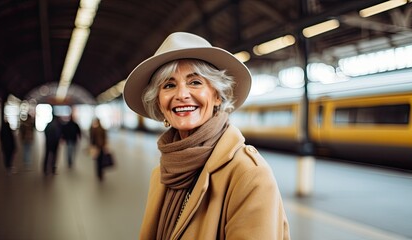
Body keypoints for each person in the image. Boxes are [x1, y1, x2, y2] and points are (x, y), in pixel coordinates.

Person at [123, 32, 290, 239]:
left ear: (218, 96)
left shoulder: (248, 173)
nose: (182, 94)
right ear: (159, 102)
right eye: (169, 85)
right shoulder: (162, 173)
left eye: (195, 82)